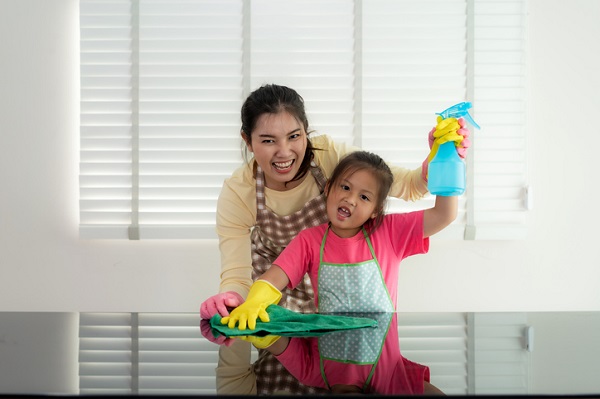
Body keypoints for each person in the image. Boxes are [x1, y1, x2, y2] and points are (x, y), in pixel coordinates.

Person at [200, 84, 468, 394]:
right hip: (282, 312)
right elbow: (240, 274)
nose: (285, 152)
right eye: (268, 140)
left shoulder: (341, 171)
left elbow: (407, 186)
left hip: (349, 323)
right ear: (247, 141)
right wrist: (236, 303)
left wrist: (441, 158)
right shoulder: (248, 198)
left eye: (295, 136)